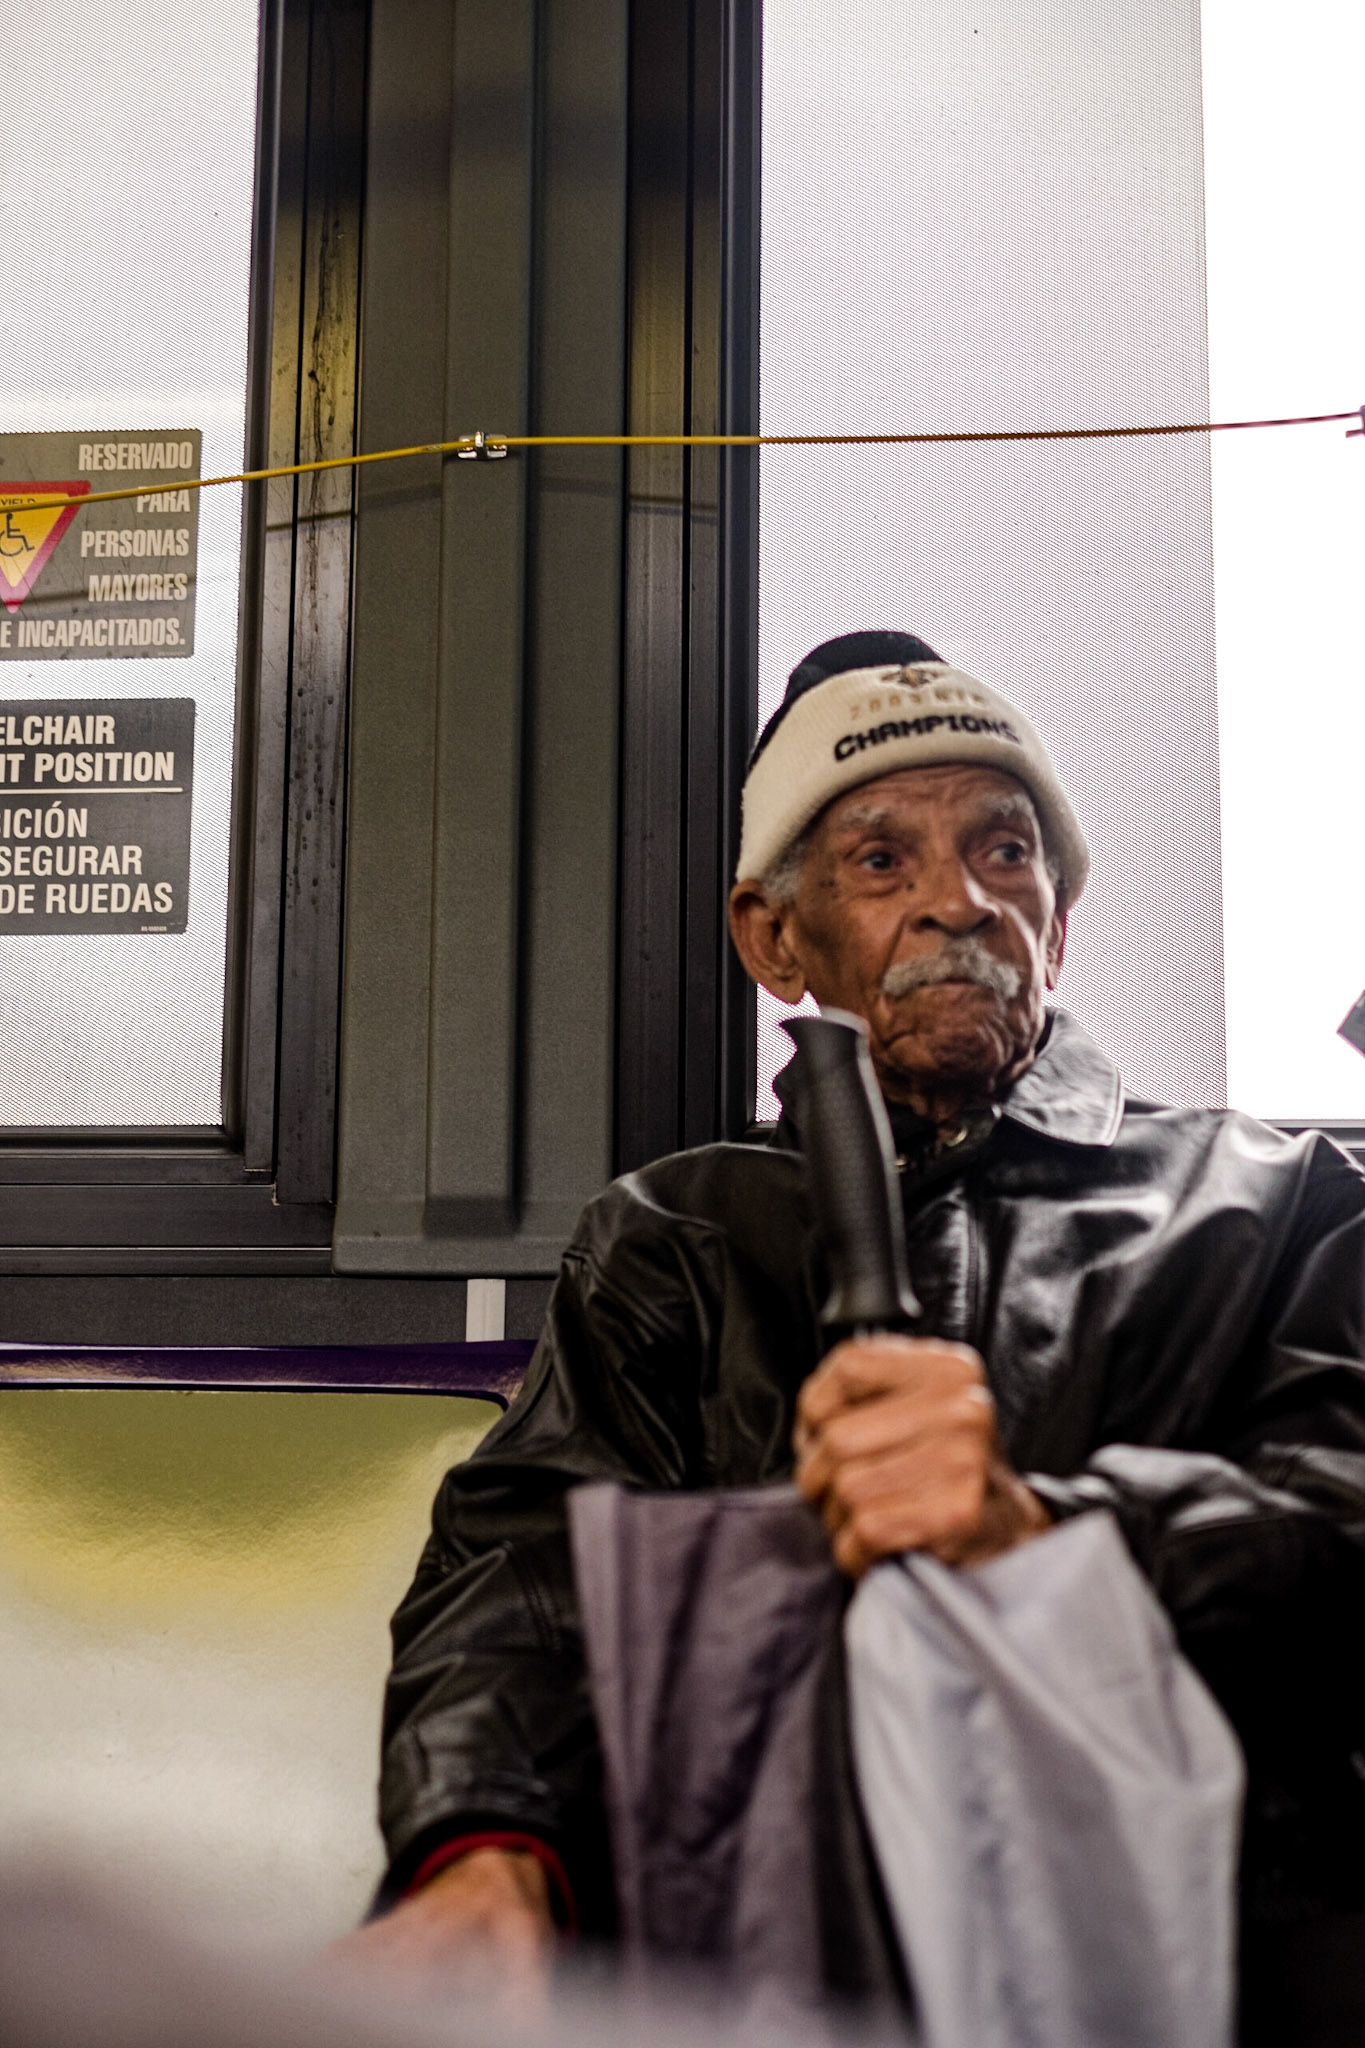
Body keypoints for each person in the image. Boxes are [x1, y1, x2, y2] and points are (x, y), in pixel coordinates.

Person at [344, 631, 1365, 2038]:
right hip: (769, 1956)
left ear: (1057, 923)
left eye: (1006, 855)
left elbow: (1342, 1521)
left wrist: (1054, 1534)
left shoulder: (1281, 1203)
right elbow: (522, 1583)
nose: (958, 902)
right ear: (774, 938)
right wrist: (481, 1847)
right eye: (880, 863)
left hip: (1220, 1951)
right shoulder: (673, 1238)